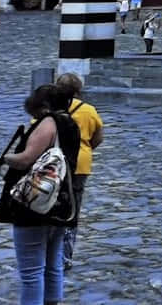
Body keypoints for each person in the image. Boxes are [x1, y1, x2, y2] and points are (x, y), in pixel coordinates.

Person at [0, 82, 79, 305]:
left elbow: (27, 159)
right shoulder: (70, 123)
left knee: (32, 271)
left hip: (36, 203)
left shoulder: (49, 123)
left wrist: (4, 159)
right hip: (62, 202)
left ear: (43, 106)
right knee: (53, 265)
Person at [53, 74, 101, 271]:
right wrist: (85, 149)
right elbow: (98, 137)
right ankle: (65, 255)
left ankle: (50, 251)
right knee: (73, 209)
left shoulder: (50, 110)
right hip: (80, 163)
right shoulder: (88, 110)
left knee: (51, 205)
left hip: (54, 162)